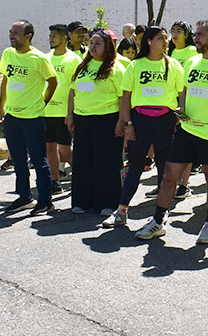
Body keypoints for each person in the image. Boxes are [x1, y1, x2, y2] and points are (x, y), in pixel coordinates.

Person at [135, 20, 208, 244]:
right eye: (196, 35)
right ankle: (158, 221)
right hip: (186, 130)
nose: (196, 38)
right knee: (168, 176)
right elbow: (184, 91)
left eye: (201, 35)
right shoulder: (192, 62)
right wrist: (181, 109)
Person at [102, 26, 184, 228]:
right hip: (140, 121)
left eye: (166, 38)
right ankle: (121, 211)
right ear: (148, 41)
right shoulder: (135, 65)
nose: (165, 41)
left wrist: (179, 115)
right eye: (160, 38)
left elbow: (182, 93)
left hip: (165, 121)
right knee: (135, 167)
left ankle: (160, 214)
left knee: (164, 168)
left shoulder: (173, 65)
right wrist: (127, 123)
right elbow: (126, 97)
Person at [0, 20, 58, 215]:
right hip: (12, 115)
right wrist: (1, 107)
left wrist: (43, 103)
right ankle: (24, 197)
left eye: (16, 32)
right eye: (10, 32)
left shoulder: (39, 58)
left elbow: (53, 82)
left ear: (28, 36)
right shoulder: (8, 54)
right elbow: (5, 81)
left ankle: (45, 200)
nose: (11, 35)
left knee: (38, 160)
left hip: (33, 117)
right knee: (18, 159)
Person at [67, 29, 125, 215]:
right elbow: (72, 91)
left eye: (98, 43)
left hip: (107, 120)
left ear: (108, 47)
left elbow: (124, 97)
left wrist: (122, 122)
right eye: (91, 42)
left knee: (105, 162)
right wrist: (70, 116)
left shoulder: (116, 69)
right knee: (83, 161)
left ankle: (108, 202)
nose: (93, 46)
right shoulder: (83, 66)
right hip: (82, 119)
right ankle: (83, 201)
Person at [44, 24, 82, 194]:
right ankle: (54, 181)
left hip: (64, 113)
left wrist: (71, 113)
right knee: (50, 148)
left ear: (65, 38)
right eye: (50, 35)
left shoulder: (74, 59)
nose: (51, 38)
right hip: (45, 112)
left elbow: (77, 87)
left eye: (55, 36)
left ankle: (84, 175)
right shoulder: (45, 58)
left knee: (65, 151)